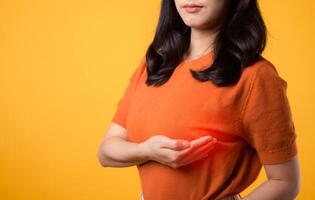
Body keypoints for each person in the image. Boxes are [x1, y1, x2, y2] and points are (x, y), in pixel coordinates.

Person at [97, 0, 300, 199]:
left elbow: (285, 183)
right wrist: (147, 150)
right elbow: (106, 152)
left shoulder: (255, 76)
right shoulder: (155, 64)